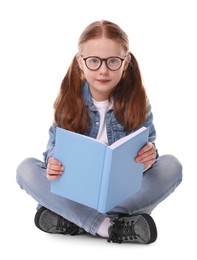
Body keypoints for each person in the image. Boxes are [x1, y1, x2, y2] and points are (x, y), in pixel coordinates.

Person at [16, 20, 182, 244]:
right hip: (75, 194)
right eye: (94, 61)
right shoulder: (68, 102)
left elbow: (148, 153)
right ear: (80, 63)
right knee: (26, 169)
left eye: (113, 61)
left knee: (172, 166)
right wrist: (54, 162)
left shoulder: (139, 103)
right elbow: (52, 153)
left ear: (126, 62)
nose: (103, 70)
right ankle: (109, 227)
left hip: (120, 196)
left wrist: (149, 156)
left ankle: (74, 219)